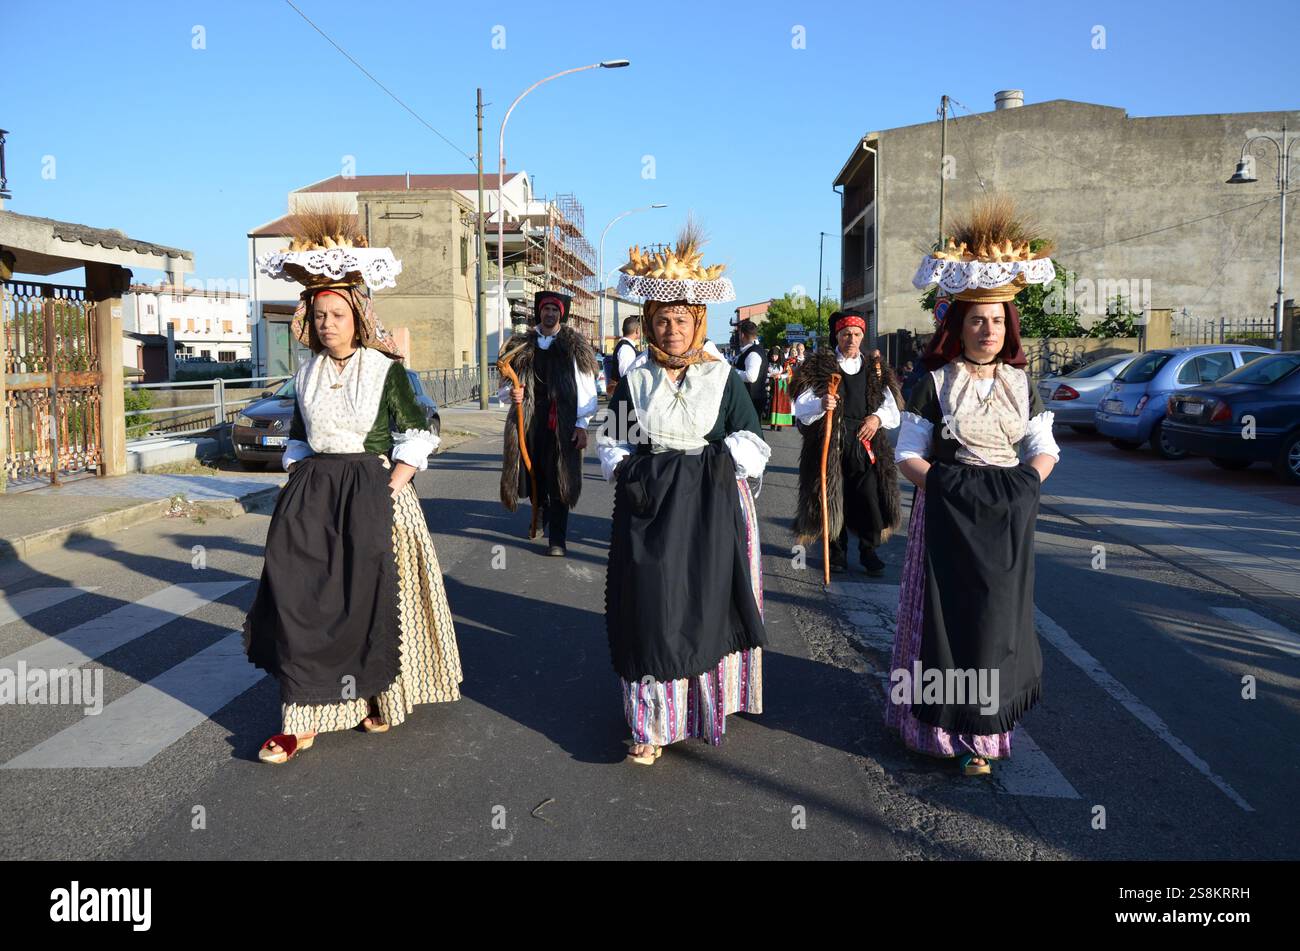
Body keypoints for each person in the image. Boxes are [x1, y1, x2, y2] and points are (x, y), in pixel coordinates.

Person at [245, 211, 463, 764]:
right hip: (315, 495)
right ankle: (301, 719)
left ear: (357, 315)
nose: (326, 324)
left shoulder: (384, 370)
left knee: (369, 601)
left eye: (337, 314)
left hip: (375, 491)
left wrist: (392, 486)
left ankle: (373, 695)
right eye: (318, 315)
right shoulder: (305, 374)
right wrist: (299, 479)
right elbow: (297, 437)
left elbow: (421, 429)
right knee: (305, 600)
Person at [886, 197, 1061, 776]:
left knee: (992, 622)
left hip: (1005, 518)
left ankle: (985, 736)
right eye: (976, 320)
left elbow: (1044, 446)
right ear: (957, 326)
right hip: (946, 513)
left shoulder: (1021, 382)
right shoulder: (932, 383)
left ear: (1009, 325)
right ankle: (934, 731)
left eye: (997, 321)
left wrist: (1022, 488)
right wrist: (946, 486)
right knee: (942, 617)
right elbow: (906, 451)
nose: (987, 330)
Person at [598, 224, 771, 765]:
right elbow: (612, 440)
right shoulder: (636, 379)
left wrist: (701, 469)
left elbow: (751, 442)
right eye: (662, 320)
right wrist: (635, 475)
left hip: (711, 507)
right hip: (652, 510)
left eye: (681, 319)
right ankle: (649, 724)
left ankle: (701, 711)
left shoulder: (724, 378)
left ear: (699, 321)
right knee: (653, 609)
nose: (671, 329)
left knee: (705, 606)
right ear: (649, 323)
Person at [790, 311, 902, 576]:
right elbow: (801, 405)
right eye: (845, 334)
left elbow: (892, 408)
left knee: (869, 496)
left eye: (856, 334)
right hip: (831, 442)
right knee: (832, 495)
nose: (851, 339)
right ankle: (836, 552)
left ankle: (868, 550)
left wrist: (876, 418)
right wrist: (822, 403)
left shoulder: (875, 369)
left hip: (866, 442)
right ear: (837, 336)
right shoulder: (820, 366)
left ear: (862, 336)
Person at [498, 291, 600, 557]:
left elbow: (587, 389)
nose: (550, 314)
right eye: (546, 310)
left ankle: (558, 539)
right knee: (533, 473)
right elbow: (505, 384)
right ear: (539, 313)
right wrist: (512, 394)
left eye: (555, 310)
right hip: (530, 421)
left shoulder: (573, 346)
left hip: (562, 423)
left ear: (561, 314)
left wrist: (581, 425)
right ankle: (538, 513)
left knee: (560, 478)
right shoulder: (522, 345)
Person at [731, 319, 769, 418]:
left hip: (751, 400)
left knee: (749, 432)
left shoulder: (753, 353)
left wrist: (732, 371)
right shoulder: (752, 350)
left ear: (742, 335)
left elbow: (751, 377)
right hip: (750, 399)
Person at [606, 315, 642, 396]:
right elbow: (626, 376)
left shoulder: (626, 347)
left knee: (623, 408)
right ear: (637, 330)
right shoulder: (626, 348)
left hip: (624, 394)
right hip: (624, 396)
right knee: (623, 409)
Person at [766, 345, 795, 430]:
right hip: (771, 386)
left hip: (781, 387)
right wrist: (771, 375)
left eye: (775, 356)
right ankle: (772, 423)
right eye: (772, 356)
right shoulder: (767, 363)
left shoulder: (785, 363)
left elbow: (789, 373)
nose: (774, 357)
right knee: (772, 404)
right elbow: (763, 373)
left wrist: (780, 376)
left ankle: (780, 425)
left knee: (781, 404)